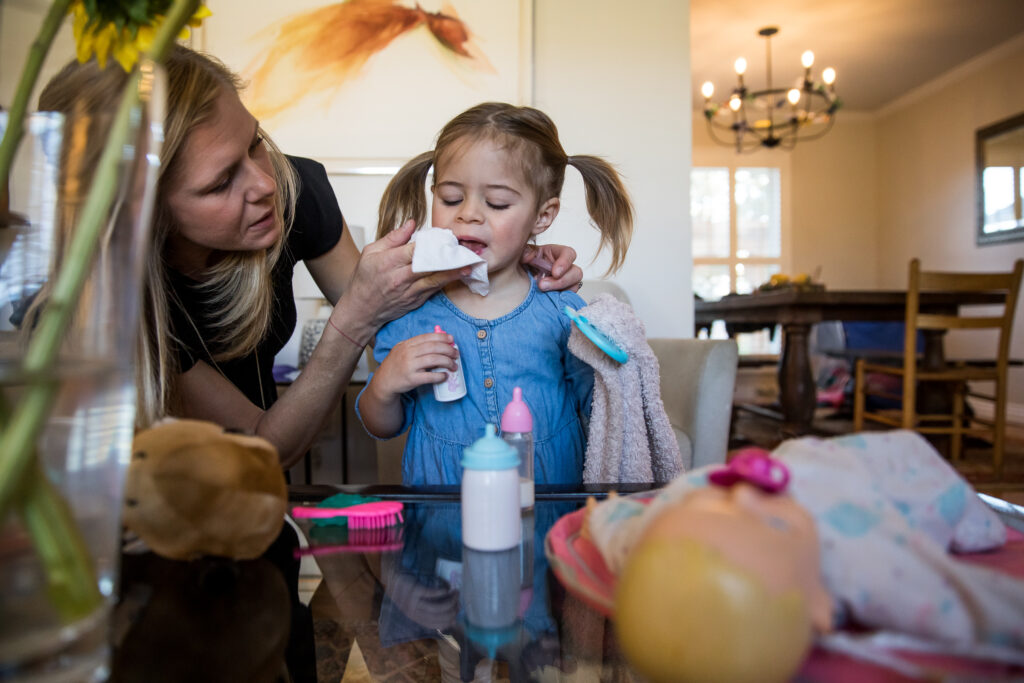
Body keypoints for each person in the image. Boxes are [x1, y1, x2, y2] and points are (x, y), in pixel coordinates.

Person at [36, 46, 584, 469]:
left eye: (254, 142)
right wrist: (352, 324)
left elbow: (400, 316)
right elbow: (265, 447)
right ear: (144, 213)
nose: (265, 183)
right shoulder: (123, 304)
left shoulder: (296, 188)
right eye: (222, 182)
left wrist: (516, 263)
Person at [581, 431, 1024, 683]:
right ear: (821, 607)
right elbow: (973, 605)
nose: (749, 497)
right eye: (773, 525)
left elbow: (619, 529)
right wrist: (974, 527)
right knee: (939, 496)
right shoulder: (863, 561)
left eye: (712, 504)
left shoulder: (651, 533)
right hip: (884, 468)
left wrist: (602, 517)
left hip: (798, 450)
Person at [355, 102, 634, 485]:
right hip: (442, 522)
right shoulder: (411, 310)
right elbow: (382, 426)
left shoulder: (560, 309)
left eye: (497, 203)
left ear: (542, 216)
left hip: (550, 512)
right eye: (451, 198)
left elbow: (607, 413)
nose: (468, 214)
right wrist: (385, 385)